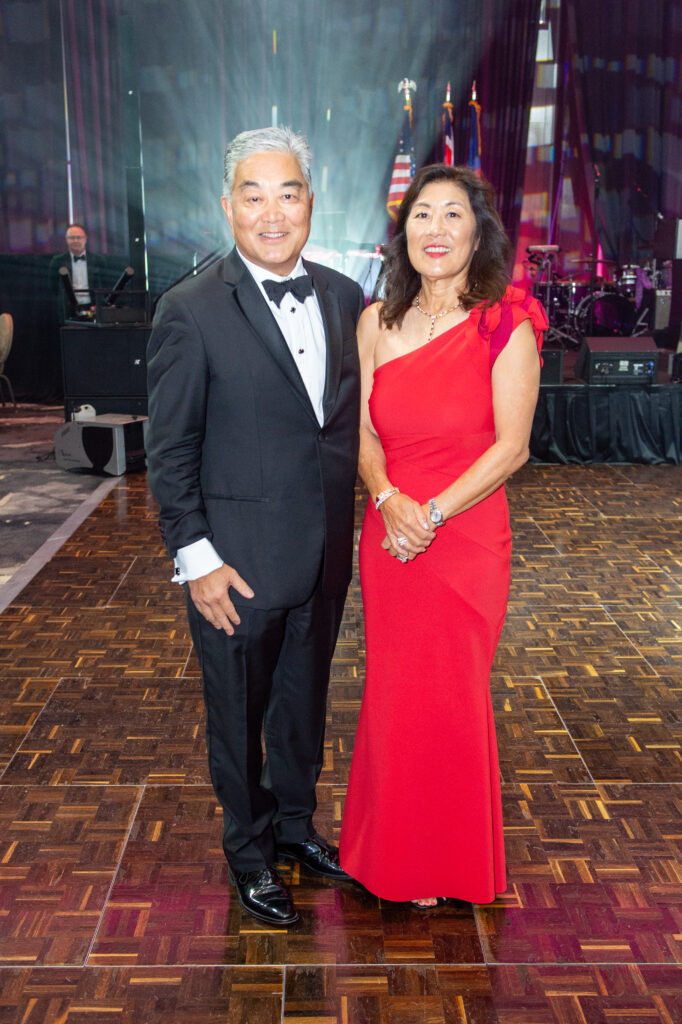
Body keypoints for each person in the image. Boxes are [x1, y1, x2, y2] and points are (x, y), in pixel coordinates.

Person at [146, 127, 364, 927]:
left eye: (288, 192)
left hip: (323, 558)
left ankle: (298, 829)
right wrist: (196, 561)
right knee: (237, 717)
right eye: (253, 194)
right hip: (233, 566)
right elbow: (170, 452)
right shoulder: (189, 309)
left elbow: (341, 431)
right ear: (227, 204)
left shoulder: (345, 296)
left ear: (312, 200)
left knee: (304, 706)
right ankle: (249, 853)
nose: (272, 213)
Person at [339, 164, 547, 907]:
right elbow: (360, 431)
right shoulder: (375, 322)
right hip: (388, 529)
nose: (436, 229)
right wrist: (390, 498)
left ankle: (448, 861)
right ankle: (394, 857)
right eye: (422, 215)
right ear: (404, 233)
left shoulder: (505, 323)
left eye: (452, 215)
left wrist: (428, 514)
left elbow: (511, 449)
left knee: (452, 691)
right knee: (395, 690)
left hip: (462, 534)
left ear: (477, 232)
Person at [48, 223, 108, 322]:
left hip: (93, 307)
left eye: (79, 237)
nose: (76, 240)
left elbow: (105, 284)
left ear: (85, 239)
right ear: (66, 239)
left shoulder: (98, 260)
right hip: (68, 309)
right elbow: (53, 287)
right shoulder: (57, 261)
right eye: (72, 238)